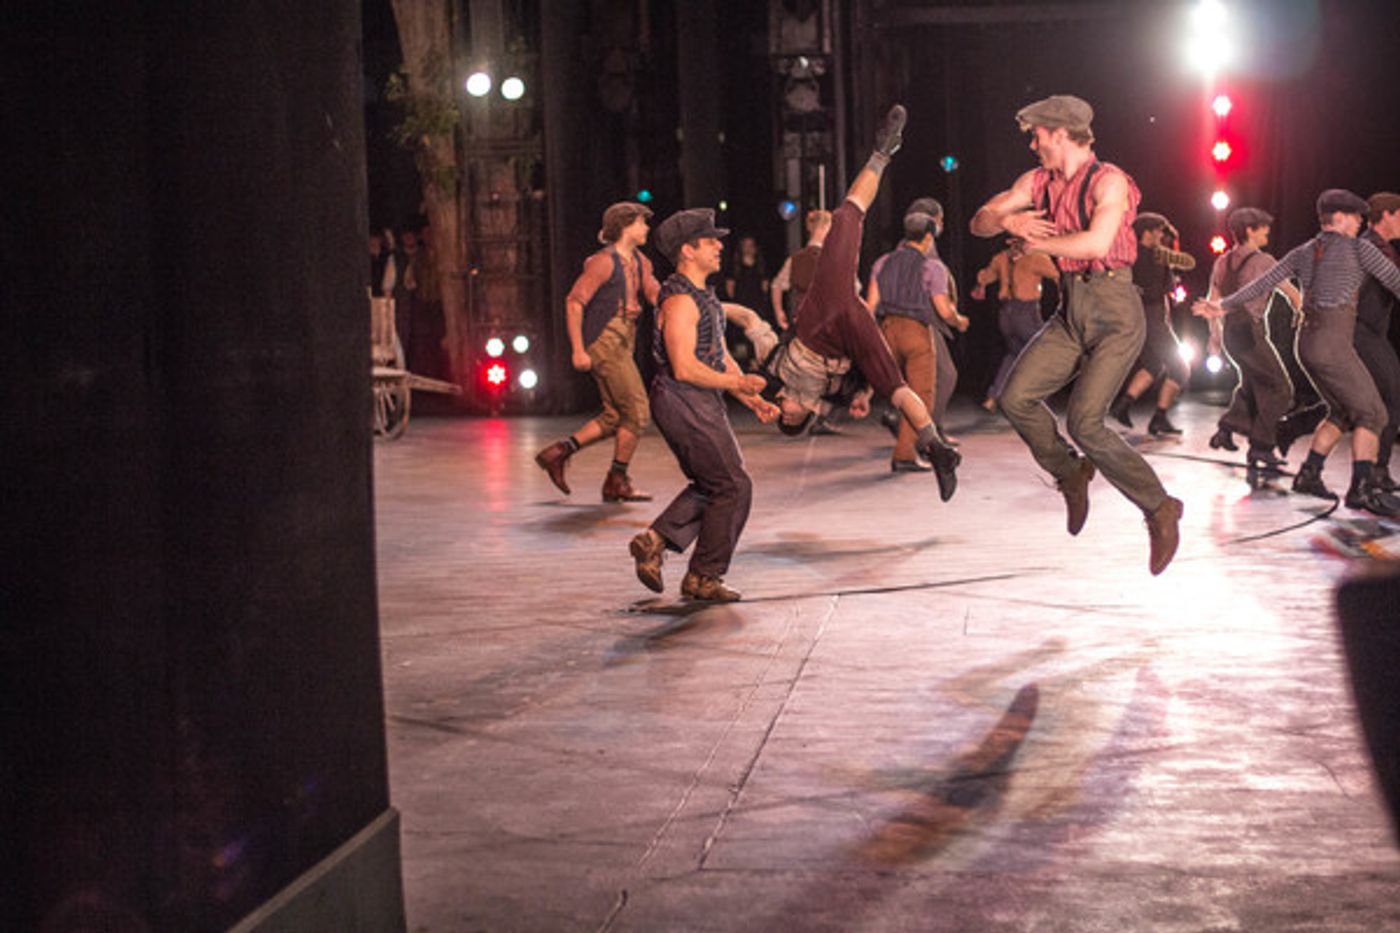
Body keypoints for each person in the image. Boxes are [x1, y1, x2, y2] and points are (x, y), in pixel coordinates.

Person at [970, 94, 1182, 575]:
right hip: (1070, 309)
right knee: (1015, 397)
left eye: (1038, 134)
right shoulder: (1037, 182)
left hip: (1115, 311)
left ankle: (1160, 507)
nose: (1032, 143)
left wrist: (1034, 239)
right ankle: (1071, 473)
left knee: (1086, 422)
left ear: (1061, 133)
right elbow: (979, 221)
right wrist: (1006, 218)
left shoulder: (1109, 182)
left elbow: (1097, 243)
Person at [722, 104, 962, 500]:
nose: (783, 406)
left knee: (847, 217)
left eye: (780, 410)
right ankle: (938, 447)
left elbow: (749, 318)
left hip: (823, 313)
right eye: (788, 416)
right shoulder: (826, 399)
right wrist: (865, 396)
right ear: (806, 415)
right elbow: (863, 381)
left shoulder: (774, 368)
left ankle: (883, 152)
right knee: (899, 389)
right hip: (847, 331)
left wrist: (708, 307)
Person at [1194, 189, 1400, 516]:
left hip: (1305, 344)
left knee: (1343, 411)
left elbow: (1261, 284)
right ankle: (1363, 488)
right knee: (1373, 414)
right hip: (1333, 343)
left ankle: (1309, 474)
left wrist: (1221, 305)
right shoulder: (1360, 249)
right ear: (1343, 218)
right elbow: (1395, 281)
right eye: (1358, 217)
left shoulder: (1304, 250)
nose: (1362, 223)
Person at [627, 209, 779, 602]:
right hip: (682, 399)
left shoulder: (703, 296)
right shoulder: (679, 300)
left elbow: (718, 355)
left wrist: (751, 397)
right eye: (709, 240)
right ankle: (702, 577)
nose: (719, 245)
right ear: (687, 250)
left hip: (696, 399)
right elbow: (684, 366)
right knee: (732, 486)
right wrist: (736, 382)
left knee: (713, 485)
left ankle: (655, 540)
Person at [535, 202, 662, 503]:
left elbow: (655, 292)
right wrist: (578, 349)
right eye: (642, 223)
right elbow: (574, 302)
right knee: (638, 412)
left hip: (625, 338)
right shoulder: (604, 262)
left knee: (615, 415)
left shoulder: (640, 261)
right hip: (605, 338)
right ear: (626, 225)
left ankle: (559, 452)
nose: (646, 228)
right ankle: (616, 480)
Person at [866, 198, 970, 470]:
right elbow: (943, 310)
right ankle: (906, 453)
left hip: (887, 330)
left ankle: (904, 430)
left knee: (899, 389)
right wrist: (959, 321)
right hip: (916, 332)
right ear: (928, 236)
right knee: (921, 395)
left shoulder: (883, 262)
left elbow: (870, 306)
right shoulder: (930, 266)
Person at [1204, 206, 1300, 476]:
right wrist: (1304, 314)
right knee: (1281, 388)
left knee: (1253, 383)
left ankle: (1226, 430)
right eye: (1262, 227)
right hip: (1249, 333)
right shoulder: (1264, 261)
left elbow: (1213, 303)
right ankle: (1262, 444)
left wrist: (1215, 337)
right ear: (1250, 231)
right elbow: (1291, 293)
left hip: (1232, 335)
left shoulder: (1222, 261)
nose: (1267, 230)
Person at [1108, 213, 1197, 436]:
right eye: (1158, 230)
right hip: (1153, 318)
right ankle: (1159, 417)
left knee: (1153, 364)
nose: (1161, 235)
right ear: (1147, 232)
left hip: (1138, 318)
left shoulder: (1129, 255)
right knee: (1180, 368)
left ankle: (1123, 405)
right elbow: (1189, 262)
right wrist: (1171, 250)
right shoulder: (1156, 254)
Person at [974, 238, 1059, 411]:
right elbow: (1058, 276)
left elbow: (985, 276)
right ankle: (1036, 401)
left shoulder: (1000, 258)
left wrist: (980, 285)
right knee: (1044, 353)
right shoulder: (1036, 258)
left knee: (1014, 355)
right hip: (1026, 314)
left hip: (1006, 315)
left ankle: (993, 397)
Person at [1354, 192, 1400, 490]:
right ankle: (1376, 471)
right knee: (1391, 396)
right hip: (1361, 332)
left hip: (1372, 332)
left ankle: (1310, 463)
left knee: (1352, 408)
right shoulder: (1371, 247)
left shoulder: (1380, 246)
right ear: (1386, 216)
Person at [770, 210, 831, 331]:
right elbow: (853, 288)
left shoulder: (795, 260)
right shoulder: (832, 259)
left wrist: (779, 313)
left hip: (802, 322)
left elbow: (776, 285)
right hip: (827, 324)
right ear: (824, 228)